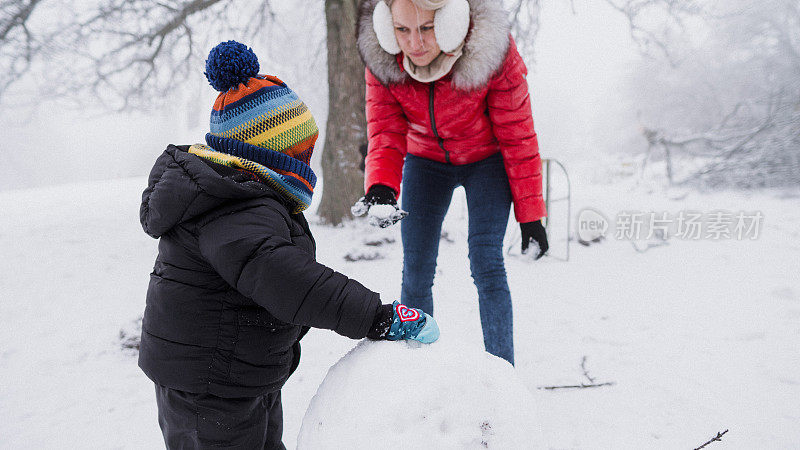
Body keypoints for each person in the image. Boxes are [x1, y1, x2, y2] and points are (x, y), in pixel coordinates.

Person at [138, 40, 439, 450]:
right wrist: (376, 316)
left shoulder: (243, 196)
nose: (307, 165)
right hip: (208, 389)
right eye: (301, 153)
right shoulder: (234, 207)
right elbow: (285, 277)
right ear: (268, 153)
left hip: (239, 375)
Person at [354, 0, 548, 366]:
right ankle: (417, 367)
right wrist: (381, 186)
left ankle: (501, 376)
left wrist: (531, 216)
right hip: (425, 162)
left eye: (426, 28)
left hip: (485, 161)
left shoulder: (491, 52)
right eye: (403, 29)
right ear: (386, 26)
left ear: (450, 21)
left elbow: (517, 135)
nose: (415, 43)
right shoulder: (383, 59)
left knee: (486, 261)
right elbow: (386, 131)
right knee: (416, 268)